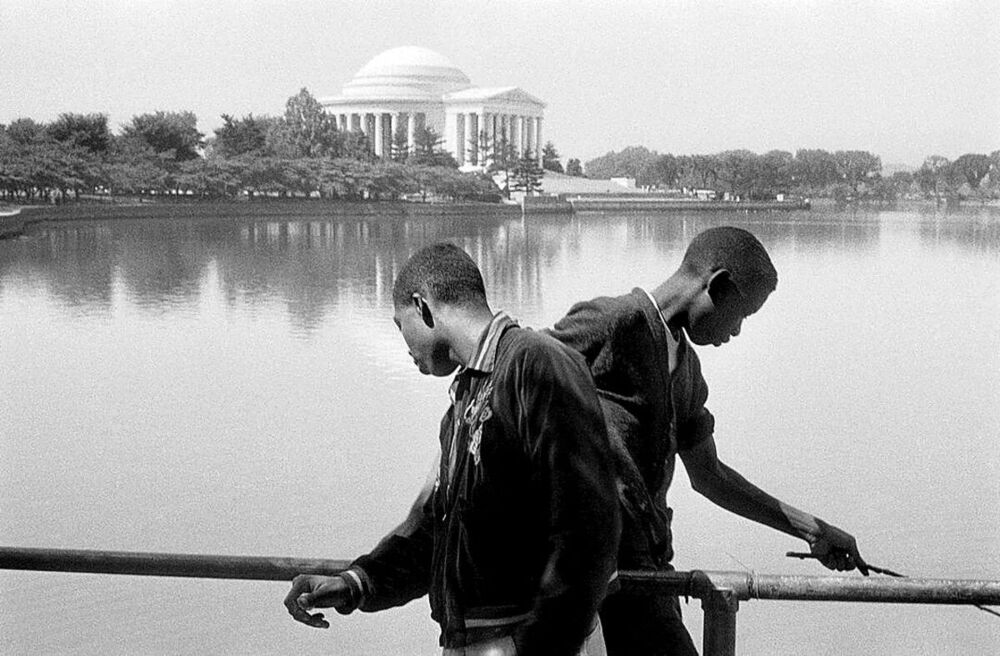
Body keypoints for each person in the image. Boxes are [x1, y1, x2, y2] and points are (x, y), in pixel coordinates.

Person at [284, 242, 620, 656]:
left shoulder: (536, 363)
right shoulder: (466, 399)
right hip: (477, 643)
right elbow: (436, 530)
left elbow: (592, 531)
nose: (405, 346)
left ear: (422, 307)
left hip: (525, 643)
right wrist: (356, 583)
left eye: (399, 325)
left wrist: (533, 647)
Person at [546, 226, 869, 656]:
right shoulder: (612, 323)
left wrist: (810, 528)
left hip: (646, 575)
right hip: (583, 576)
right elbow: (511, 379)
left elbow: (709, 476)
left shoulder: (687, 371)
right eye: (741, 315)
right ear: (715, 285)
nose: (735, 332)